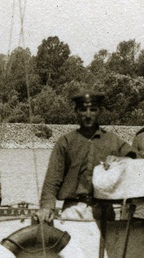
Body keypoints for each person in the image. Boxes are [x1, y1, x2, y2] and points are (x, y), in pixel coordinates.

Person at [38, 91, 131, 220]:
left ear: (100, 111)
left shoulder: (112, 140)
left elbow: (135, 158)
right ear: (76, 111)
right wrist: (47, 206)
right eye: (83, 110)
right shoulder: (66, 142)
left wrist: (120, 160)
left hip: (104, 209)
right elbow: (52, 179)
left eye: (93, 110)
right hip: (73, 209)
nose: (88, 115)